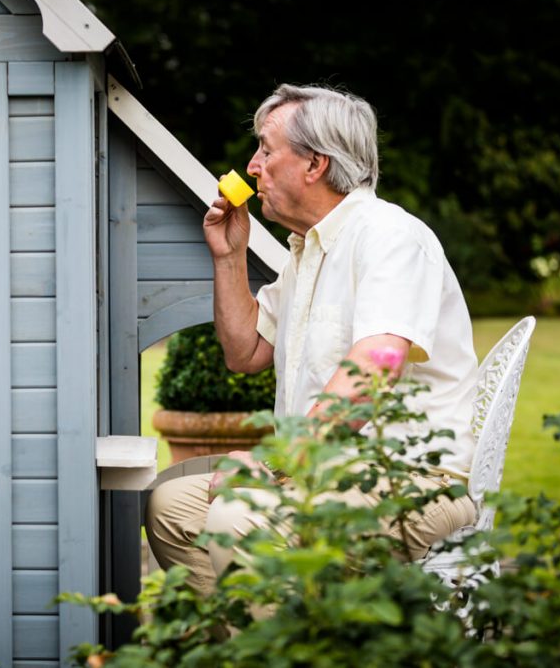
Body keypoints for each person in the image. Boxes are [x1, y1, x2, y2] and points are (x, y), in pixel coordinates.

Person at [146, 84, 478, 594]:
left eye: (265, 149)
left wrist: (272, 460)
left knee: (237, 522)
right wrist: (230, 257)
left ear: (315, 164)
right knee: (171, 510)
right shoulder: (310, 251)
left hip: (408, 482)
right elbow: (246, 353)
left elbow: (377, 365)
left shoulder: (389, 237)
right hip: (319, 475)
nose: (252, 166)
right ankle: (260, 645)